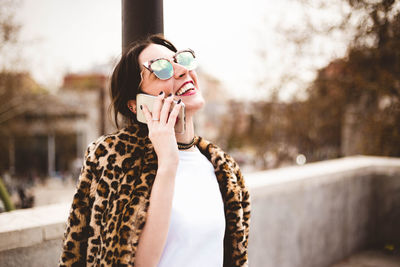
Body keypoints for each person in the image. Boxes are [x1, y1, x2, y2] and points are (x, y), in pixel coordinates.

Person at [59, 34, 250, 267]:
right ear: (136, 104)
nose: (182, 71)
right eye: (161, 69)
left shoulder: (223, 168)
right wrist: (168, 162)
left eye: (182, 61)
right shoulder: (115, 158)